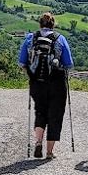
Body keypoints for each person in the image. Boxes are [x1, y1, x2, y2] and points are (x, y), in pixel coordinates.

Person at [19, 12, 74, 159]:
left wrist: (32, 75)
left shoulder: (30, 38)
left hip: (37, 82)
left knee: (40, 111)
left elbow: (22, 62)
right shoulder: (60, 38)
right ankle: (49, 152)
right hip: (57, 82)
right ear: (53, 25)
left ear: (40, 24)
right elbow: (69, 63)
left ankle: (38, 142)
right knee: (55, 115)